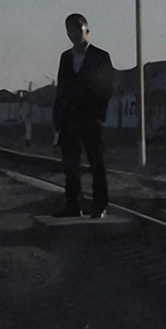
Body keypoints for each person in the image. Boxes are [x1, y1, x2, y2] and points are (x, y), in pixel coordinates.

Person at [52, 13, 116, 217]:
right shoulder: (66, 57)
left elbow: (107, 87)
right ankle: (73, 205)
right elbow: (61, 88)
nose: (73, 34)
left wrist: (98, 114)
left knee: (96, 163)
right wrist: (57, 117)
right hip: (69, 119)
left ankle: (100, 205)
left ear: (86, 30)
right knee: (70, 164)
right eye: (70, 30)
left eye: (77, 30)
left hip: (90, 118)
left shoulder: (100, 56)